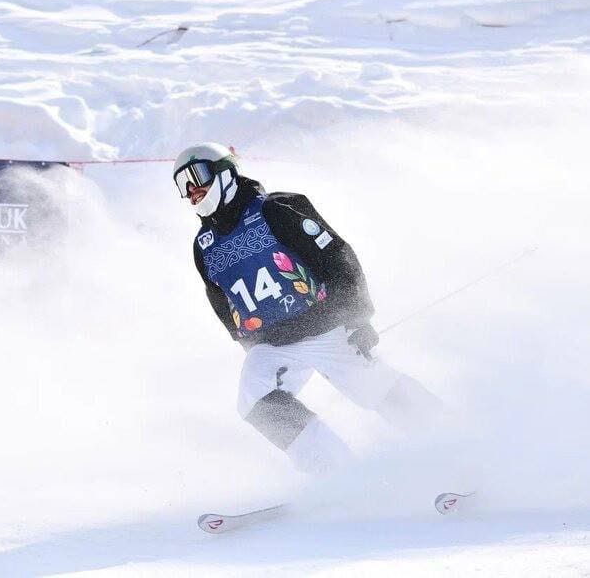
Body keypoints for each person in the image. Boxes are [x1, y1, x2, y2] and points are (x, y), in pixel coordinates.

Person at [175, 142, 440, 474]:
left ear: (224, 172)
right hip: (273, 342)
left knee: (369, 386)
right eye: (182, 186)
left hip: (325, 326)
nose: (191, 191)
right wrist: (244, 339)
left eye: (196, 176)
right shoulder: (205, 245)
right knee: (254, 399)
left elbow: (338, 256)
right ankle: (335, 471)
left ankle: (446, 437)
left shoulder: (277, 209)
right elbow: (218, 297)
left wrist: (358, 316)